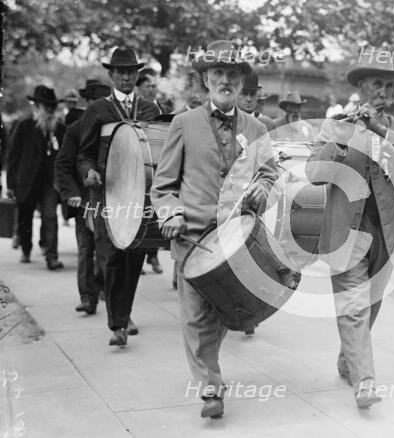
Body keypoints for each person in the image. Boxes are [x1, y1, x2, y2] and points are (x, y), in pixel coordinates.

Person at [151, 40, 278, 419]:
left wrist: (263, 187)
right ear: (206, 79)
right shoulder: (182, 124)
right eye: (218, 73)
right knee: (195, 316)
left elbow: (269, 173)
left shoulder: (256, 127)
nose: (226, 80)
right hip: (191, 238)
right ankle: (211, 388)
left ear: (242, 82)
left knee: (222, 314)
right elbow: (163, 185)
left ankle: (210, 369)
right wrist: (169, 213)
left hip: (237, 240)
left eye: (233, 75)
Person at [306, 50, 394, 409]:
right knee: (355, 307)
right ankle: (365, 381)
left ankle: (349, 361)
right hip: (346, 234)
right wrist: (343, 139)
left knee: (371, 305)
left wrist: (381, 130)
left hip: (385, 235)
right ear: (360, 86)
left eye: (390, 86)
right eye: (378, 84)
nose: (385, 92)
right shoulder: (335, 126)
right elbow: (314, 173)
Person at [77, 47, 160, 346]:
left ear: (137, 75)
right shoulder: (97, 110)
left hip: (140, 199)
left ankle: (124, 314)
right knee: (112, 257)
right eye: (120, 72)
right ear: (111, 75)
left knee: (134, 259)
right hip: (107, 197)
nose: (126, 77)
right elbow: (84, 155)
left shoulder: (151, 109)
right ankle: (117, 324)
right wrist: (89, 172)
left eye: (131, 72)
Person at [55, 79, 111, 315]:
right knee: (86, 250)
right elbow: (62, 165)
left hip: (110, 201)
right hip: (83, 201)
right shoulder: (75, 129)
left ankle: (111, 299)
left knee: (109, 252)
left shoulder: (113, 129)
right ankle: (88, 297)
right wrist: (72, 194)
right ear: (87, 103)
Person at [6, 85, 66, 270]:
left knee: (50, 217)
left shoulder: (59, 128)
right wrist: (10, 184)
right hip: (27, 180)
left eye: (51, 107)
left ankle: (51, 256)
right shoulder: (24, 125)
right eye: (45, 106)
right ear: (37, 106)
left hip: (49, 181)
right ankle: (26, 249)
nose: (49, 110)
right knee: (25, 217)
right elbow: (13, 156)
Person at [135, 67, 164, 274]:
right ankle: (139, 252)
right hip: (140, 165)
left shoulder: (163, 108)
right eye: (148, 86)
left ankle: (153, 256)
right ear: (139, 88)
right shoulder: (135, 109)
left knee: (156, 210)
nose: (152, 90)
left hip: (160, 166)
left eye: (155, 86)